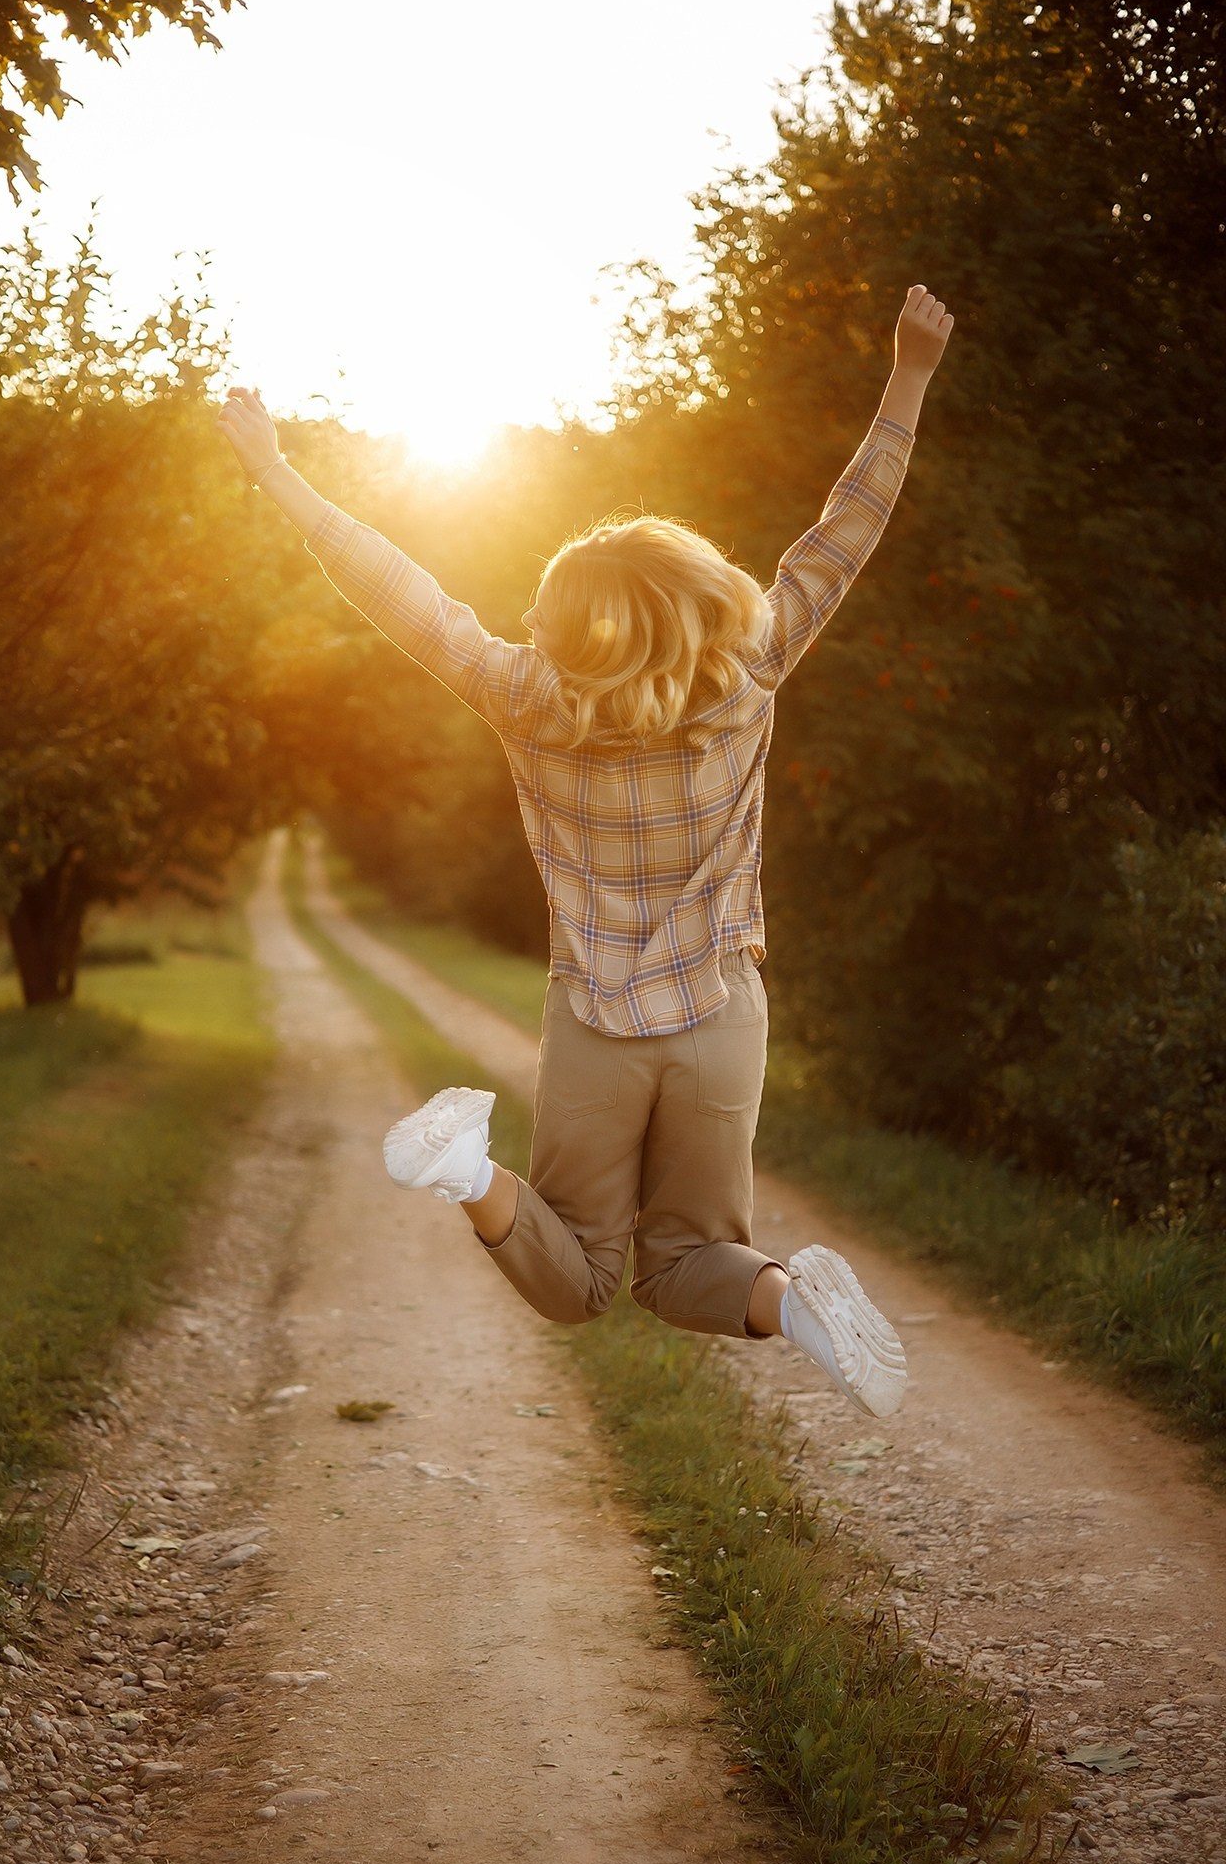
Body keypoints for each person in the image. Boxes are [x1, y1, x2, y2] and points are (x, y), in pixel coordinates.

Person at [218, 283, 953, 1419]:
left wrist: (275, 475)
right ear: (699, 600)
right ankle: (792, 1304)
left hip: (597, 1027)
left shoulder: (526, 697)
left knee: (582, 1277)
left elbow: (400, 594)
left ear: (571, 627)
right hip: (719, 1018)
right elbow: (842, 530)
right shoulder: (752, 673)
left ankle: (466, 1169)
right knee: (687, 1266)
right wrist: (906, 373)